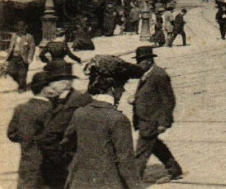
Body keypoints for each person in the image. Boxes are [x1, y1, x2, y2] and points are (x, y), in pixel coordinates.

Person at [63, 55, 143, 189]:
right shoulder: (118, 120)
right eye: (121, 87)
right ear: (112, 88)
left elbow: (67, 144)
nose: (122, 91)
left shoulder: (79, 113)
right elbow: (126, 164)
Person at [37, 61, 92, 189]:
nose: (47, 87)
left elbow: (48, 137)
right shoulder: (61, 99)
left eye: (49, 83)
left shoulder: (75, 102)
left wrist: (60, 163)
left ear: (63, 83)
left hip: (67, 166)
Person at [132, 46, 183, 183]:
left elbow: (169, 100)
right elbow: (148, 95)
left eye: (140, 61)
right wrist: (135, 99)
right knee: (155, 146)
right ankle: (174, 169)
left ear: (149, 60)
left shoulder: (159, 75)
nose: (138, 64)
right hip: (145, 119)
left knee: (141, 152)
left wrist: (164, 123)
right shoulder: (146, 74)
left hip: (152, 121)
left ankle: (133, 182)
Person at [8, 71, 54, 189]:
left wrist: (27, 138)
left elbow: (12, 134)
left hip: (26, 163)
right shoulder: (49, 109)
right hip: (45, 164)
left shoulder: (21, 108)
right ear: (45, 89)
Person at [6, 21, 36, 92]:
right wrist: (8, 55)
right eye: (19, 27)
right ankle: (20, 83)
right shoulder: (14, 35)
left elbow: (32, 48)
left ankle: (22, 87)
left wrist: (30, 58)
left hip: (23, 57)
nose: (21, 29)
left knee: (22, 73)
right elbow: (11, 46)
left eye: (22, 27)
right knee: (10, 71)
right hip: (13, 56)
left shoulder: (29, 36)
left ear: (25, 27)